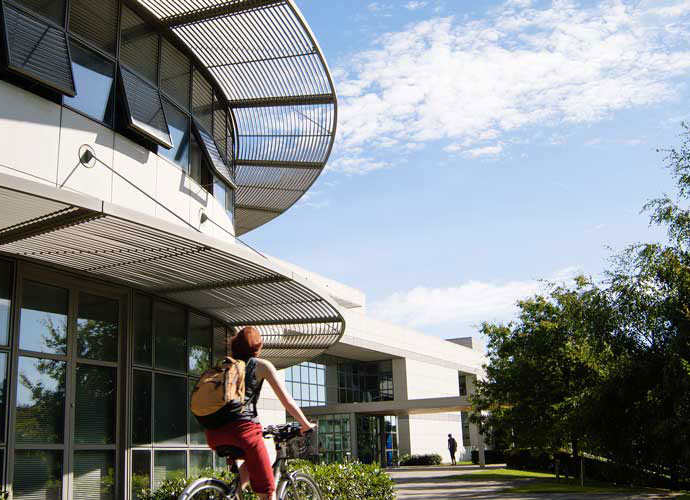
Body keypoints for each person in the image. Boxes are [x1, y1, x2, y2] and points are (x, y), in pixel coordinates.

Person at [205, 326, 316, 500]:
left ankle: (230, 494)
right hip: (243, 433)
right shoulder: (261, 366)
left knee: (252, 461)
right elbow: (287, 401)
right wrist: (306, 424)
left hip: (213, 433)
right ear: (258, 347)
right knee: (268, 493)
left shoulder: (224, 366)